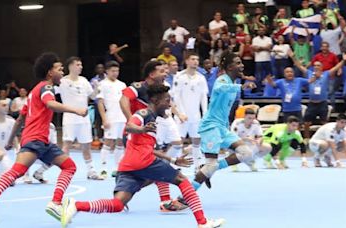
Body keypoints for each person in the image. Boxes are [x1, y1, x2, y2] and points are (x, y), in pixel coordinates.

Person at [61, 84, 225, 228]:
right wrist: (141, 129)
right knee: (182, 181)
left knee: (117, 204)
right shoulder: (144, 113)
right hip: (143, 162)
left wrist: (173, 159)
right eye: (167, 101)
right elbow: (130, 126)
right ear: (155, 100)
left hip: (129, 165)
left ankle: (76, 205)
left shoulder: (152, 118)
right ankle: (202, 222)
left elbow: (146, 147)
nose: (169, 104)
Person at [0, 52, 88, 226]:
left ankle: (55, 203)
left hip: (41, 140)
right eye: (60, 69)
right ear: (50, 72)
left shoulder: (33, 92)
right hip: (35, 139)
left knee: (69, 166)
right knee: (17, 171)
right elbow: (51, 104)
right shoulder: (46, 88)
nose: (63, 72)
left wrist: (9, 141)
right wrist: (76, 110)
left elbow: (20, 119)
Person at [182, 52, 256, 193]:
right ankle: (185, 197)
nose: (242, 65)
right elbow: (218, 88)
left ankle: (209, 167)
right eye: (238, 63)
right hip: (211, 127)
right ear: (229, 67)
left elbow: (225, 109)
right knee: (210, 166)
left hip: (222, 128)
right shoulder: (222, 80)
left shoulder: (233, 83)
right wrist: (240, 87)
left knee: (246, 153)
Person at [120, 60, 186, 212]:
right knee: (156, 168)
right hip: (136, 135)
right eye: (162, 71)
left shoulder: (159, 92)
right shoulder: (139, 87)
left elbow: (169, 104)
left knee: (155, 168)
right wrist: (132, 121)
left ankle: (123, 195)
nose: (166, 73)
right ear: (151, 74)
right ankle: (164, 201)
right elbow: (123, 99)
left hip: (149, 134)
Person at [56, 56, 103, 180]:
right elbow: (50, 93)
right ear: (70, 66)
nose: (80, 67)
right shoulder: (62, 82)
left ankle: (91, 171)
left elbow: (92, 96)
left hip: (84, 118)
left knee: (86, 145)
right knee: (67, 144)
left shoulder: (84, 80)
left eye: (81, 64)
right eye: (77, 64)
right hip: (70, 117)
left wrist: (97, 88)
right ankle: (64, 171)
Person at [290, 51, 346, 138]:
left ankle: (327, 138)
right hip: (312, 103)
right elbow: (299, 66)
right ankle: (306, 140)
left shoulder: (325, 74)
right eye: (315, 65)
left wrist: (343, 61)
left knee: (324, 123)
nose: (316, 67)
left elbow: (336, 68)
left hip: (322, 103)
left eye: (318, 65)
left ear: (322, 67)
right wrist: (293, 57)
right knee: (306, 123)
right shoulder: (309, 74)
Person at [172, 53, 208, 172]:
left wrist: (205, 113)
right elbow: (176, 97)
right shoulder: (179, 76)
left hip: (196, 115)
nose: (195, 61)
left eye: (197, 59)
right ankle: (175, 165)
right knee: (179, 140)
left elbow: (204, 97)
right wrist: (181, 113)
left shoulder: (201, 78)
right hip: (182, 115)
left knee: (197, 140)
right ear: (187, 61)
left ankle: (198, 165)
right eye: (193, 59)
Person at [96, 61, 127, 178]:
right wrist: (104, 119)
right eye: (113, 71)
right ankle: (103, 169)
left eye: (117, 71)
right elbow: (100, 102)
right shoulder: (102, 84)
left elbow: (126, 102)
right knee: (108, 142)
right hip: (111, 117)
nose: (115, 73)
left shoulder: (122, 84)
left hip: (122, 118)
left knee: (120, 142)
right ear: (107, 71)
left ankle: (117, 168)